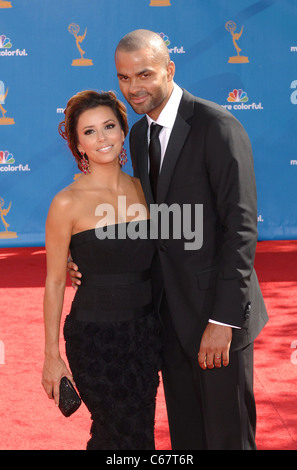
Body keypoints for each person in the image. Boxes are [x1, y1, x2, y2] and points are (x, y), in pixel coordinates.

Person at [69, 30, 269, 450]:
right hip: (168, 321)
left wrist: (224, 321)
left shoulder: (217, 126)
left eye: (144, 74)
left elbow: (242, 229)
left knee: (228, 438)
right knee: (188, 439)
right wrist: (87, 258)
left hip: (217, 319)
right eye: (124, 78)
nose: (133, 88)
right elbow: (152, 226)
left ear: (169, 69)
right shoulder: (139, 136)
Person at [42, 90, 161, 450]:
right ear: (78, 145)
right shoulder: (66, 202)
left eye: (109, 126)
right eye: (89, 132)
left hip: (146, 334)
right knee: (116, 432)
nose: (102, 137)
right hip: (95, 338)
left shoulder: (147, 191)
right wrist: (51, 355)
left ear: (123, 131)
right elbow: (55, 280)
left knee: (140, 433)